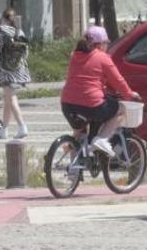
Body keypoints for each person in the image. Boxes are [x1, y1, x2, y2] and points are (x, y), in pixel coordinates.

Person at [60, 25, 140, 154]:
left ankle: (73, 171)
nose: (107, 46)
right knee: (121, 110)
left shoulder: (74, 55)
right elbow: (118, 80)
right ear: (100, 44)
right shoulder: (103, 58)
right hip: (91, 104)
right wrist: (130, 94)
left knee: (79, 133)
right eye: (106, 43)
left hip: (67, 104)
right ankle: (101, 139)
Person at [0, 8, 30, 139]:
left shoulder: (0, 31)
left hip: (5, 69)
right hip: (19, 69)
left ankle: (22, 126)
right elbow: (26, 52)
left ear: (3, 18)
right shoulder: (19, 31)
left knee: (10, 97)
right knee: (8, 98)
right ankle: (4, 129)